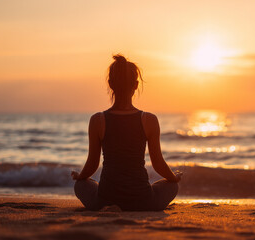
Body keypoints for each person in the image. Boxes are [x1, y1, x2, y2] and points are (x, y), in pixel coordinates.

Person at [71, 54, 182, 211]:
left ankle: (111, 203)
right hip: (143, 201)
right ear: (136, 85)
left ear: (110, 84)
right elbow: (158, 164)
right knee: (172, 186)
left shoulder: (98, 120)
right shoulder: (148, 119)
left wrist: (80, 177)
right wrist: (174, 178)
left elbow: (92, 165)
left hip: (105, 200)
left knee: (81, 185)